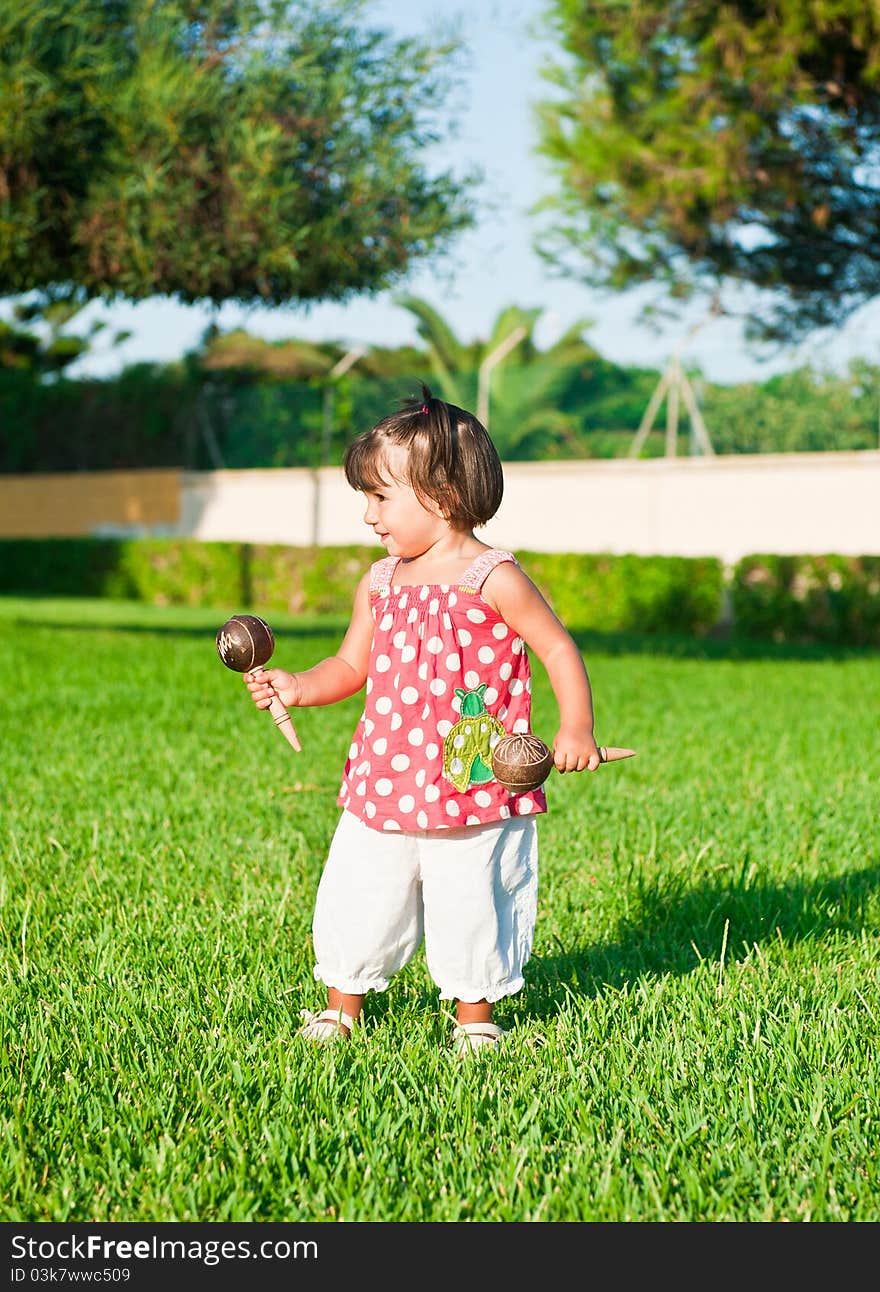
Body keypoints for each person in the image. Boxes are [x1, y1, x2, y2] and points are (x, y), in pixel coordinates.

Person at [244, 383, 602, 1057]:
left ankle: (475, 1017)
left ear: (442, 496)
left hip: (470, 781)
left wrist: (575, 727)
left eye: (381, 497)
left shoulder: (493, 576)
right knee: (361, 888)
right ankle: (342, 1006)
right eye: (367, 499)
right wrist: (296, 684)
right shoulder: (379, 582)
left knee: (471, 895)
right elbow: (350, 667)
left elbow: (556, 646)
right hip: (384, 777)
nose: (369, 516)